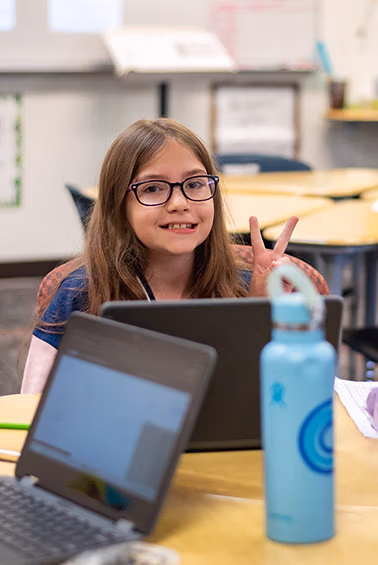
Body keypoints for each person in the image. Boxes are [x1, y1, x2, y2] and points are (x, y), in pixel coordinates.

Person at [22, 118, 298, 394]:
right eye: (153, 188)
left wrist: (261, 311)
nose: (180, 203)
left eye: (195, 184)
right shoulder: (80, 293)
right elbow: (32, 407)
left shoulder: (243, 285)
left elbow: (276, 395)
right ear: (118, 206)